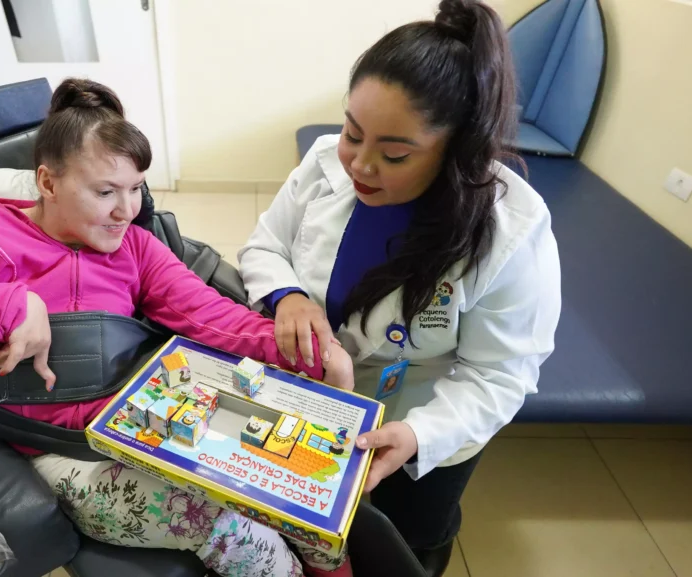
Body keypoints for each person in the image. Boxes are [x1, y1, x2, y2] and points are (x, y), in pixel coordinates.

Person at [0, 78, 355, 577]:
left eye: (136, 188)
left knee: (308, 507)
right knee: (233, 526)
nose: (126, 210)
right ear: (48, 183)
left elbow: (210, 315)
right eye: (105, 192)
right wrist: (6, 307)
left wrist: (309, 351)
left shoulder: (133, 246)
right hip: (61, 452)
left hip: (143, 423)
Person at [237, 1, 561, 575]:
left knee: (404, 542)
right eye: (351, 132)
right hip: (313, 398)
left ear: (457, 151)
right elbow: (264, 248)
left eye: (394, 154)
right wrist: (287, 295)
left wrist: (417, 434)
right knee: (307, 533)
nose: (359, 165)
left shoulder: (512, 230)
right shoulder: (321, 164)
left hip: (424, 422)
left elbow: (501, 373)